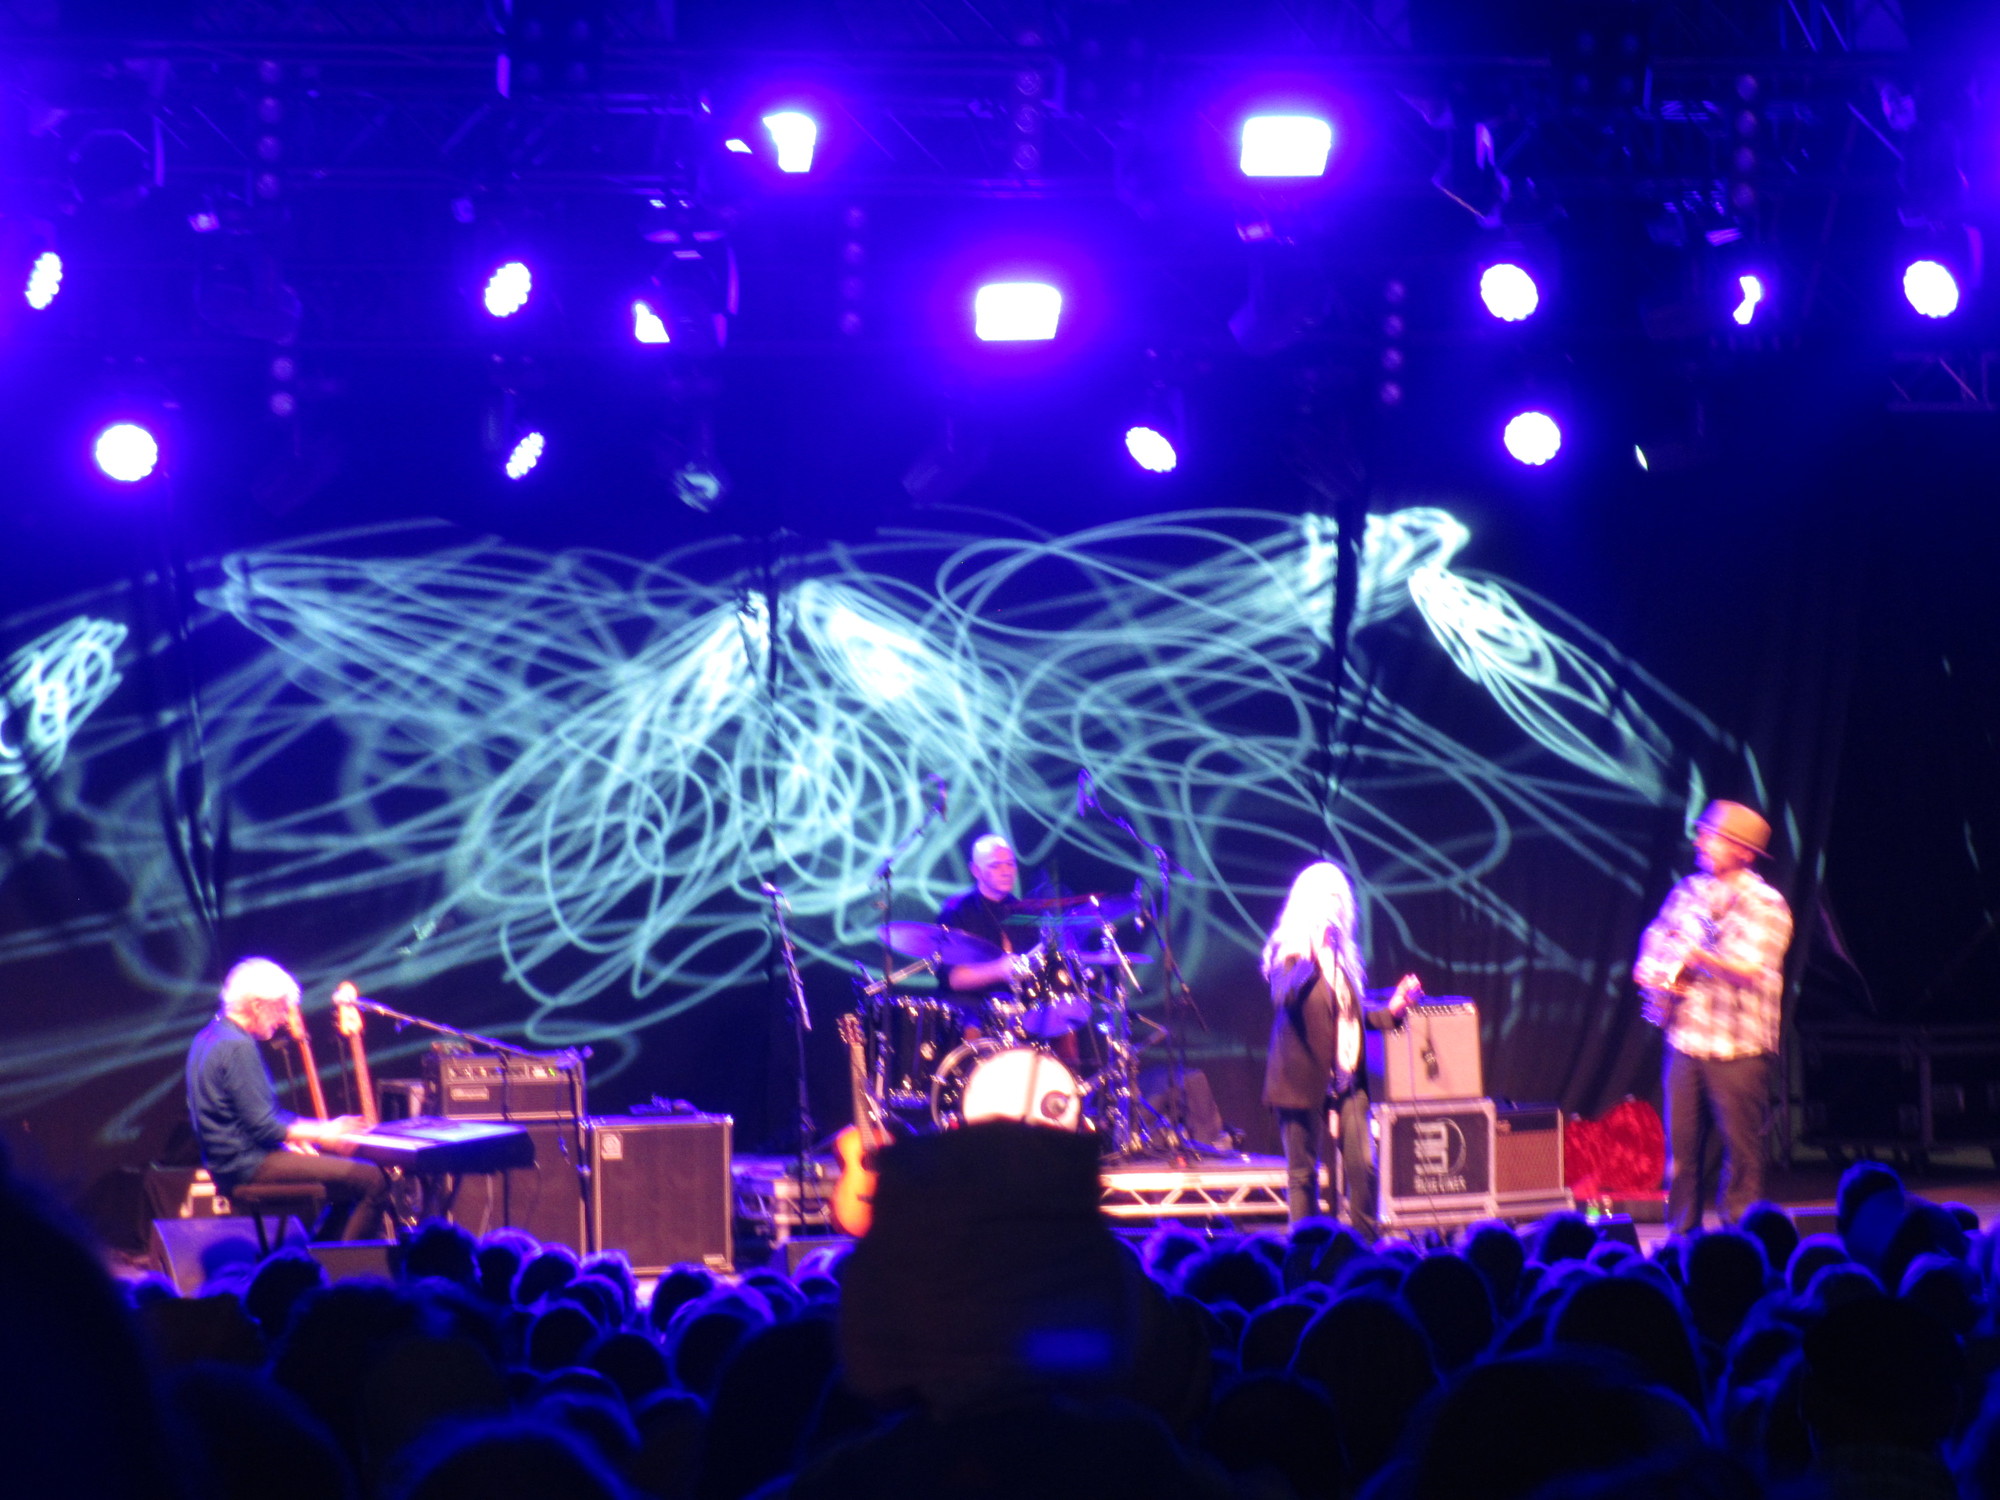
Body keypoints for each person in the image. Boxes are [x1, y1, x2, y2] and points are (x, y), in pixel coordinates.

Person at [1634, 800, 1792, 1235]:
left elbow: (1750, 970)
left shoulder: (1766, 904)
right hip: (1686, 1041)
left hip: (1738, 1048)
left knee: (1742, 1156)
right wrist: (1650, 967)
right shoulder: (1689, 891)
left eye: (1712, 836)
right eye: (1702, 834)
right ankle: (1681, 1239)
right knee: (1682, 1155)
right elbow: (1657, 934)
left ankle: (1739, 1240)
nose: (1700, 842)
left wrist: (1697, 956)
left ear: (1742, 851)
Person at [1261, 861, 1419, 1235]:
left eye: (1339, 897)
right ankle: (1305, 1253)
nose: (1334, 906)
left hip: (1347, 1081)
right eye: (1327, 897)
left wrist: (1393, 1010)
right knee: (1303, 1176)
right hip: (1298, 1080)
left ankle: (1365, 1249)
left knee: (1363, 1167)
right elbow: (1285, 998)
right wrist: (1312, 957)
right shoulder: (1289, 952)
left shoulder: (1342, 959)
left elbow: (1347, 1017)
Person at [186, 957, 391, 1240]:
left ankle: (325, 1257)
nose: (284, 1019)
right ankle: (343, 1263)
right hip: (248, 1164)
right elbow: (265, 1126)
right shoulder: (237, 1047)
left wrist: (293, 1138)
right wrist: (326, 1131)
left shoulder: (209, 1036)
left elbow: (253, 1117)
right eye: (281, 1008)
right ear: (257, 1005)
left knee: (347, 1183)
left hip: (228, 1163)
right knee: (373, 1180)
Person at [936, 834, 1037, 999]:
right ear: (976, 871)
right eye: (995, 866)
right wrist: (999, 970)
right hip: (969, 1005)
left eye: (1010, 864)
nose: (1006, 872)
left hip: (1018, 1004)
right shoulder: (956, 910)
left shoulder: (1024, 912)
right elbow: (953, 979)